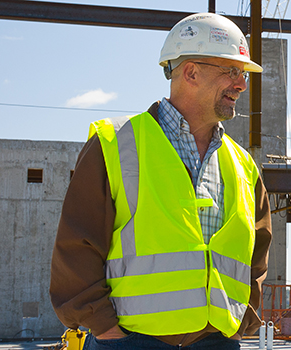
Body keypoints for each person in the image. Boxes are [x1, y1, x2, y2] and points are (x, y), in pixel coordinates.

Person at [50, 12, 272, 350]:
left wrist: (242, 322)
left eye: (242, 73)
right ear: (190, 72)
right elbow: (78, 243)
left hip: (218, 341)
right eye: (230, 71)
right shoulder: (116, 143)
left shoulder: (242, 163)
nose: (241, 83)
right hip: (131, 341)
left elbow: (257, 253)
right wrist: (104, 327)